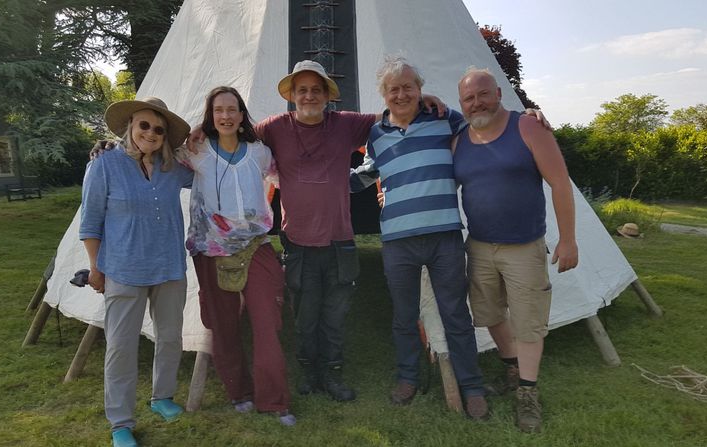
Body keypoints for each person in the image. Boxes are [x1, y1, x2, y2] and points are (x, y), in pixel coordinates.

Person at [189, 60, 444, 402]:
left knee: (335, 316)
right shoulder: (272, 128)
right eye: (302, 90)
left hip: (340, 240)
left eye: (315, 90)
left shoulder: (347, 124)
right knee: (305, 317)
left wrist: (420, 97)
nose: (309, 96)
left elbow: (393, 114)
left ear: (327, 96)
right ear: (292, 96)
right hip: (297, 242)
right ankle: (309, 371)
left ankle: (333, 373)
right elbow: (231, 134)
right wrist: (200, 130)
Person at [350, 56, 489, 420]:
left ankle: (472, 386)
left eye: (408, 86)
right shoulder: (376, 134)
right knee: (404, 316)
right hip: (397, 239)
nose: (401, 94)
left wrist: (530, 120)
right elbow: (367, 172)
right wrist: (315, 179)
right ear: (383, 94)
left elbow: (482, 129)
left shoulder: (444, 118)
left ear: (420, 89)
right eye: (393, 89)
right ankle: (408, 377)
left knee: (456, 313)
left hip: (444, 235)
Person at [454, 67, 578, 433]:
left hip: (523, 245)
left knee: (527, 322)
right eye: (469, 98)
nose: (477, 102)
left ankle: (527, 391)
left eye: (483, 94)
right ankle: (511, 369)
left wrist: (568, 239)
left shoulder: (526, 127)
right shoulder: (459, 138)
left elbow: (559, 184)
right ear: (461, 104)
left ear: (498, 93)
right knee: (489, 313)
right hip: (479, 244)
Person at [80, 96, 193, 447]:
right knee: (121, 347)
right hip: (123, 270)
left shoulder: (173, 168)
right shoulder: (104, 164)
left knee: (171, 337)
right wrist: (96, 269)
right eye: (144, 125)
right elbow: (90, 223)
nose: (151, 133)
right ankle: (120, 422)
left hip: (169, 267)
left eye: (159, 129)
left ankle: (162, 397)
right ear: (130, 125)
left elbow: (209, 165)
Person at [180, 86, 295, 426]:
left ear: (242, 115)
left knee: (267, 322)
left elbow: (288, 176)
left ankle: (274, 401)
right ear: (210, 116)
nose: (226, 116)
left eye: (232, 110)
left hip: (255, 247)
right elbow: (153, 151)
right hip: (210, 251)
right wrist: (109, 147)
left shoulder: (259, 153)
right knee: (223, 325)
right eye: (219, 111)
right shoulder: (195, 150)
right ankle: (238, 392)